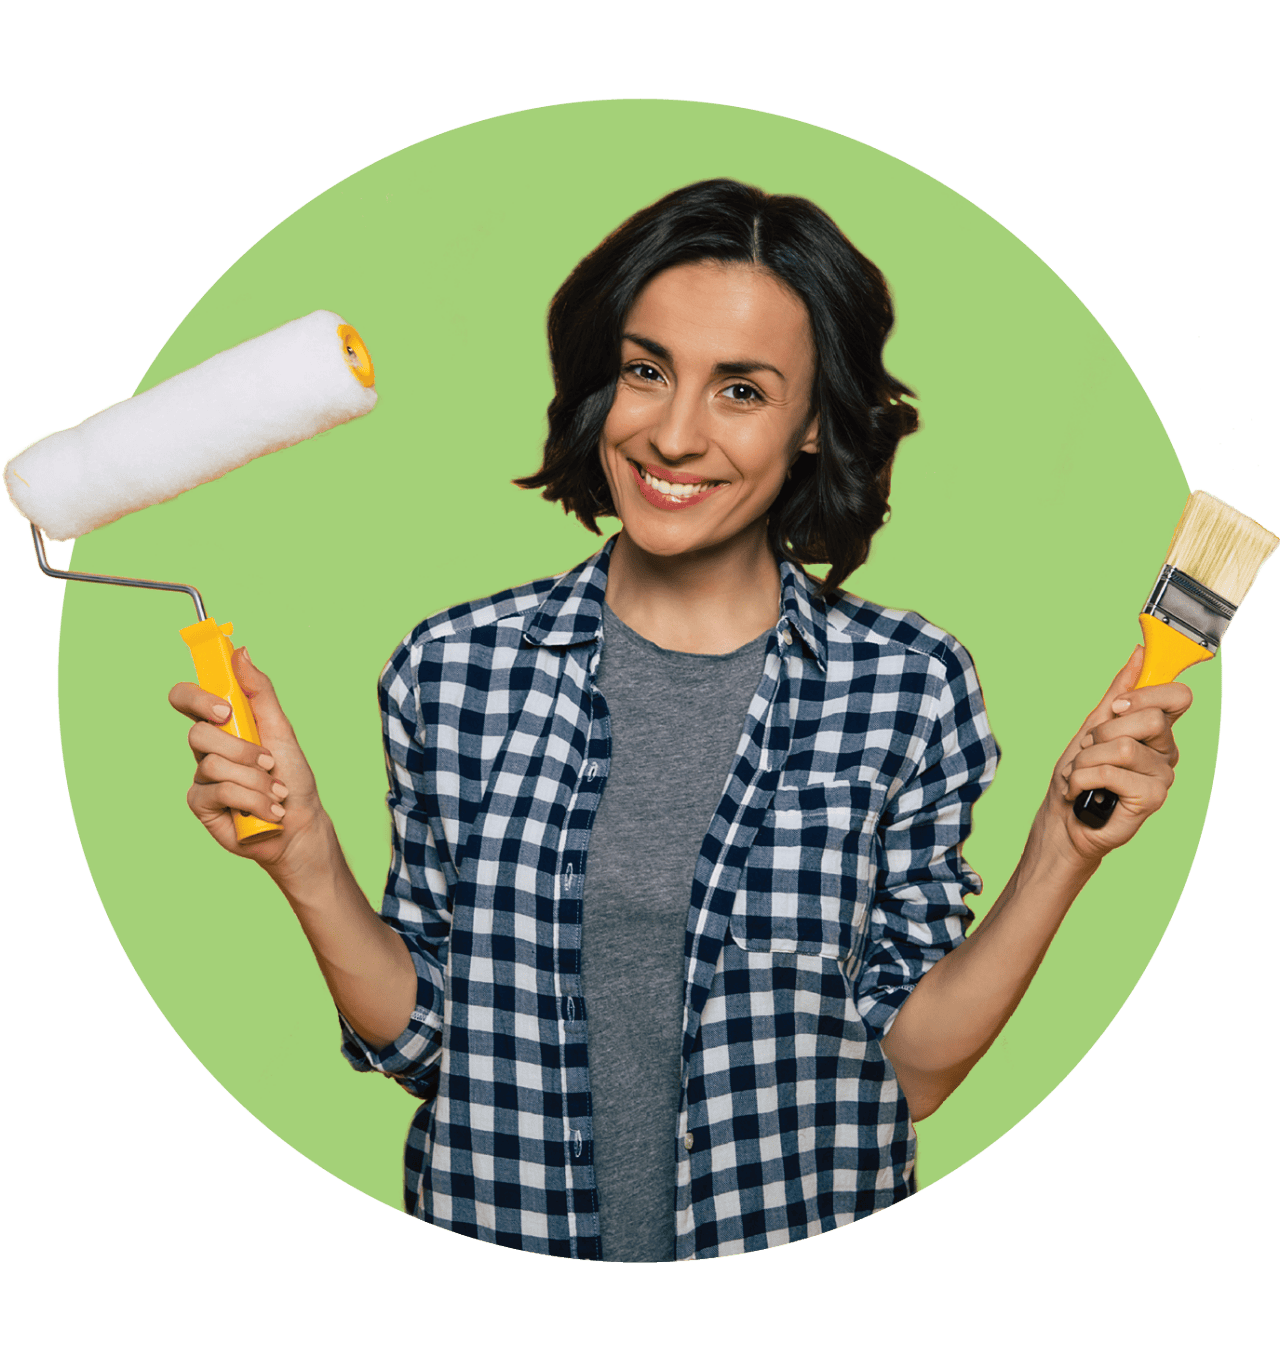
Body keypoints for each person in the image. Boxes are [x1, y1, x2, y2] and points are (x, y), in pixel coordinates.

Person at [169, 179, 1189, 1262]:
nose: (672, 433)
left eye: (740, 391)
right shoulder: (454, 668)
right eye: (645, 370)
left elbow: (907, 1070)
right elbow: (430, 1045)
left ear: (810, 425)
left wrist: (1060, 853)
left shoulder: (907, 684)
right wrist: (308, 862)